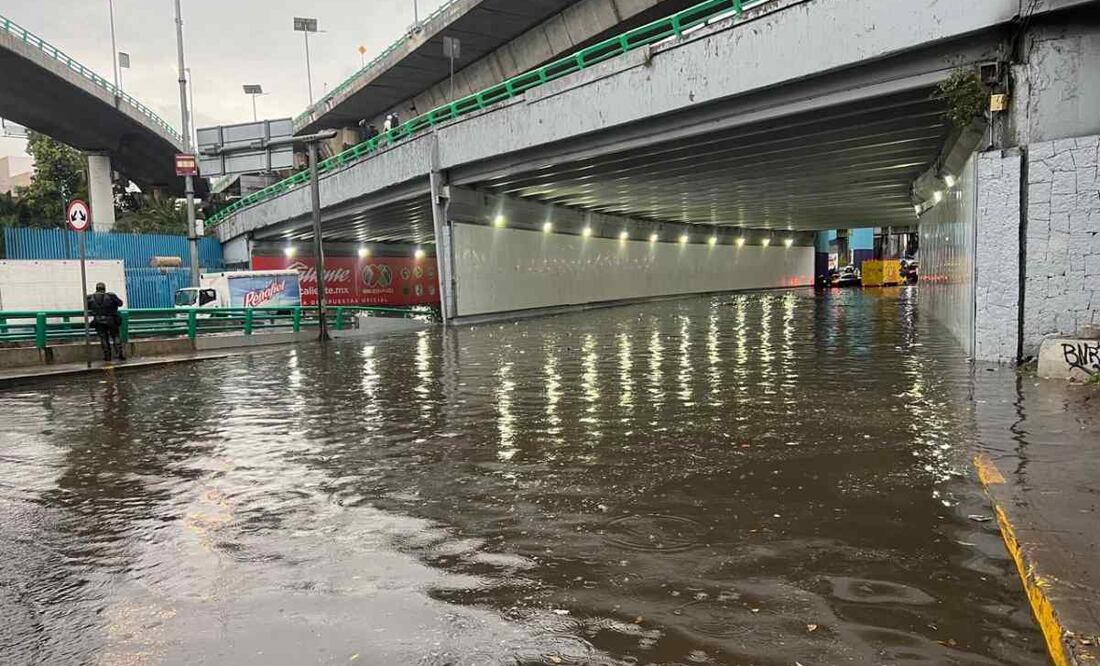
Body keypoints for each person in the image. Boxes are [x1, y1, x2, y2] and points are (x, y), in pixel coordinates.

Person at [86, 282, 125, 362]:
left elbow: (87, 307)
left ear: (96, 288)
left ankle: (107, 356)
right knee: (115, 336)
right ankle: (119, 354)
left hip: (98, 320)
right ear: (104, 288)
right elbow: (120, 303)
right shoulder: (111, 295)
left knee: (103, 338)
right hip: (111, 319)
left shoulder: (90, 297)